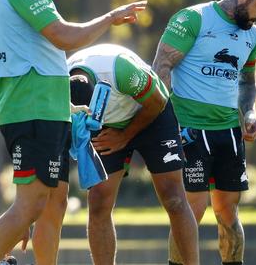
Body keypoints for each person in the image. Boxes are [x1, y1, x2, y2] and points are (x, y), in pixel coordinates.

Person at [0, 0, 147, 265]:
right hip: (33, 107)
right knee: (32, 205)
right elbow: (65, 37)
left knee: (54, 204)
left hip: (45, 108)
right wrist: (110, 18)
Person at [152, 0, 256, 265]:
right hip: (190, 130)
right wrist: (165, 123)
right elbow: (162, 66)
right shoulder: (193, 19)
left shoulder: (253, 35)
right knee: (190, 210)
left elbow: (247, 80)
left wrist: (249, 112)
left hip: (229, 133)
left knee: (228, 211)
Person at [65, 43, 200, 265]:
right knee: (98, 201)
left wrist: (124, 136)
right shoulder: (59, 81)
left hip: (152, 112)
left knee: (174, 198)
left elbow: (157, 101)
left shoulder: (121, 70)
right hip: (106, 125)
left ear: (99, 93)